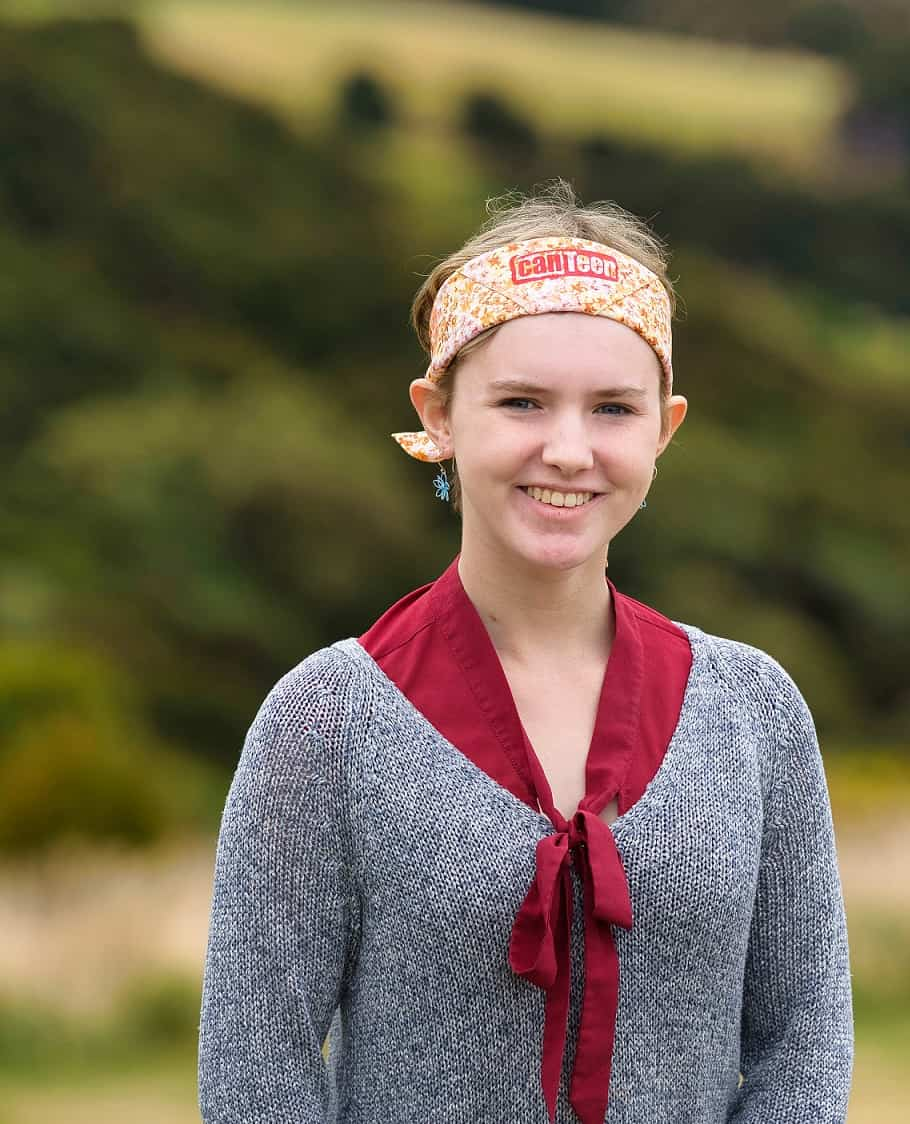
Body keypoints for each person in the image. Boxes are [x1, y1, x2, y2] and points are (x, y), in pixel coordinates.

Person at [197, 180, 854, 1123]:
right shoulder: (324, 721)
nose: (569, 450)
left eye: (614, 410)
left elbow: (806, 1041)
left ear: (665, 430)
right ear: (438, 415)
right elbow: (258, 1080)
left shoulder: (754, 708)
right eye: (521, 401)